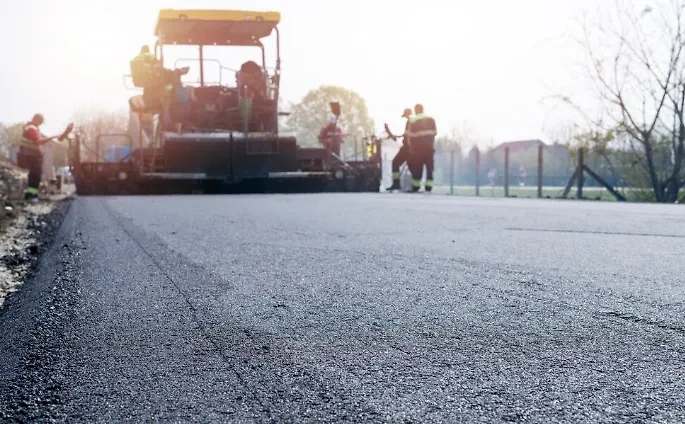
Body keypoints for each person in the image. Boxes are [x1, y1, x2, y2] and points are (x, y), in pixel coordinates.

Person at [17, 114, 53, 201]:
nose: (40, 124)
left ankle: (31, 194)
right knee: (35, 176)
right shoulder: (31, 128)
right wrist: (51, 138)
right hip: (32, 156)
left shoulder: (31, 128)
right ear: (36, 120)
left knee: (34, 176)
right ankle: (32, 195)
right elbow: (38, 141)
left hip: (32, 156)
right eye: (40, 122)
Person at [407, 103, 437, 192]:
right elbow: (435, 132)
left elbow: (409, 136)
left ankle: (416, 186)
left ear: (416, 110)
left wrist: (410, 147)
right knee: (429, 167)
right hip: (429, 147)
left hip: (418, 148)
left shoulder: (412, 120)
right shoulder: (431, 118)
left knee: (417, 167)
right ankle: (429, 186)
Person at [385, 108, 413, 191]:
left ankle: (396, 184)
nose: (405, 117)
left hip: (407, 148)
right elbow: (406, 134)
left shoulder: (410, 122)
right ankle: (415, 186)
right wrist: (395, 136)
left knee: (395, 162)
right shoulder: (412, 122)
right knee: (411, 166)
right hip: (411, 147)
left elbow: (408, 136)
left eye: (405, 116)